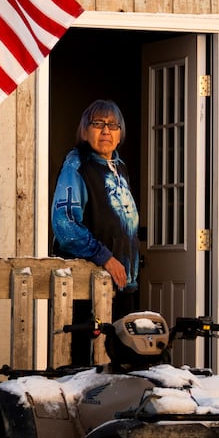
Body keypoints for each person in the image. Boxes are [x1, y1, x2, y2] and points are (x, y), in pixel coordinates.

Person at [52, 100, 141, 352]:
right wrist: (105, 257)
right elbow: (65, 226)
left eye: (113, 125)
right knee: (86, 365)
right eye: (98, 124)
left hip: (122, 286)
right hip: (87, 287)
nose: (106, 131)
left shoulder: (118, 167)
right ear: (84, 130)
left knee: (121, 361)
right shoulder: (77, 166)